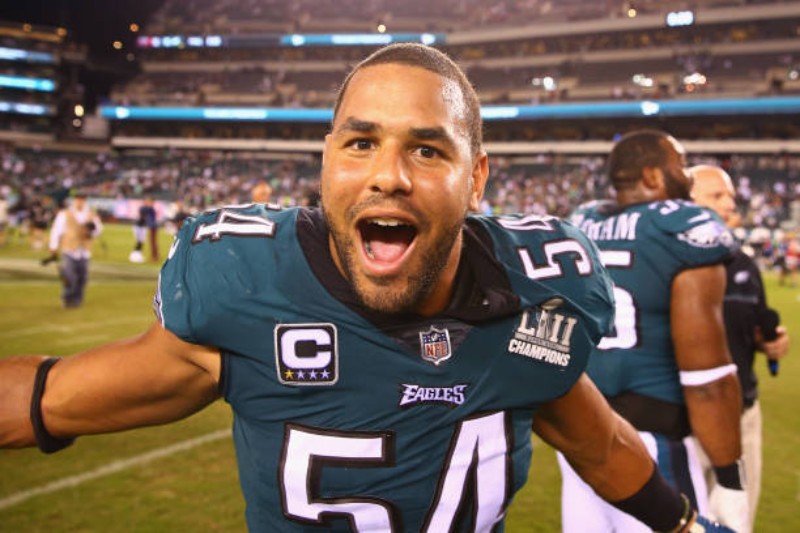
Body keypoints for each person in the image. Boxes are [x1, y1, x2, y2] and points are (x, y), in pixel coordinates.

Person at [1, 45, 729, 532]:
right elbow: (50, 398)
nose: (388, 175)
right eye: (361, 142)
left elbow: (600, 443)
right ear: (326, 163)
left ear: (476, 178)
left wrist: (684, 524)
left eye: (427, 149)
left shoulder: (534, 298)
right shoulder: (248, 288)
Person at [567, 130, 747, 532]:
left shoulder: (581, 222)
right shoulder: (683, 226)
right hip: (650, 447)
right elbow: (708, 380)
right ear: (652, 175)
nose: (687, 175)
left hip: (581, 436)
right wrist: (731, 479)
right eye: (679, 164)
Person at [690, 164, 791, 530]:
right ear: (685, 202)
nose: (730, 204)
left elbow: (755, 327)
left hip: (742, 415)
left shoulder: (744, 262)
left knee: (737, 524)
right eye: (717, 195)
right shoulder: (666, 263)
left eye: (731, 196)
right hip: (685, 422)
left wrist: (769, 343)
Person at [43, 190, 103, 308]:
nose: (80, 201)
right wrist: (53, 246)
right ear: (74, 200)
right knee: (69, 276)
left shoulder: (91, 214)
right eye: (78, 198)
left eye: (82, 199)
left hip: (84, 250)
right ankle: (67, 298)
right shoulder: (65, 213)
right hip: (69, 248)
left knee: (82, 277)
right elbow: (56, 230)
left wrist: (93, 230)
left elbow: (99, 230)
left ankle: (77, 299)